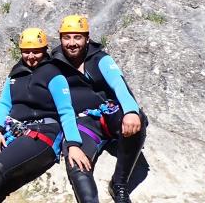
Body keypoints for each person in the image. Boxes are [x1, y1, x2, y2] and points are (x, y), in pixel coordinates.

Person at [0, 28, 89, 203]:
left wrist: (74, 144)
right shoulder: (16, 73)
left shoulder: (53, 74)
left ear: (44, 50)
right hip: (12, 130)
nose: (31, 56)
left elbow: (66, 110)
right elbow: (4, 104)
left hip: (42, 132)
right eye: (26, 51)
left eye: (36, 51)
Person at [51, 15, 147, 203]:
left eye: (77, 37)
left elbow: (119, 85)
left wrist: (131, 111)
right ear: (60, 39)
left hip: (108, 115)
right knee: (77, 165)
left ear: (87, 38)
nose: (72, 43)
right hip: (83, 123)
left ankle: (119, 185)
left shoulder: (100, 59)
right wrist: (72, 144)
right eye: (67, 37)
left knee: (138, 120)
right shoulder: (54, 64)